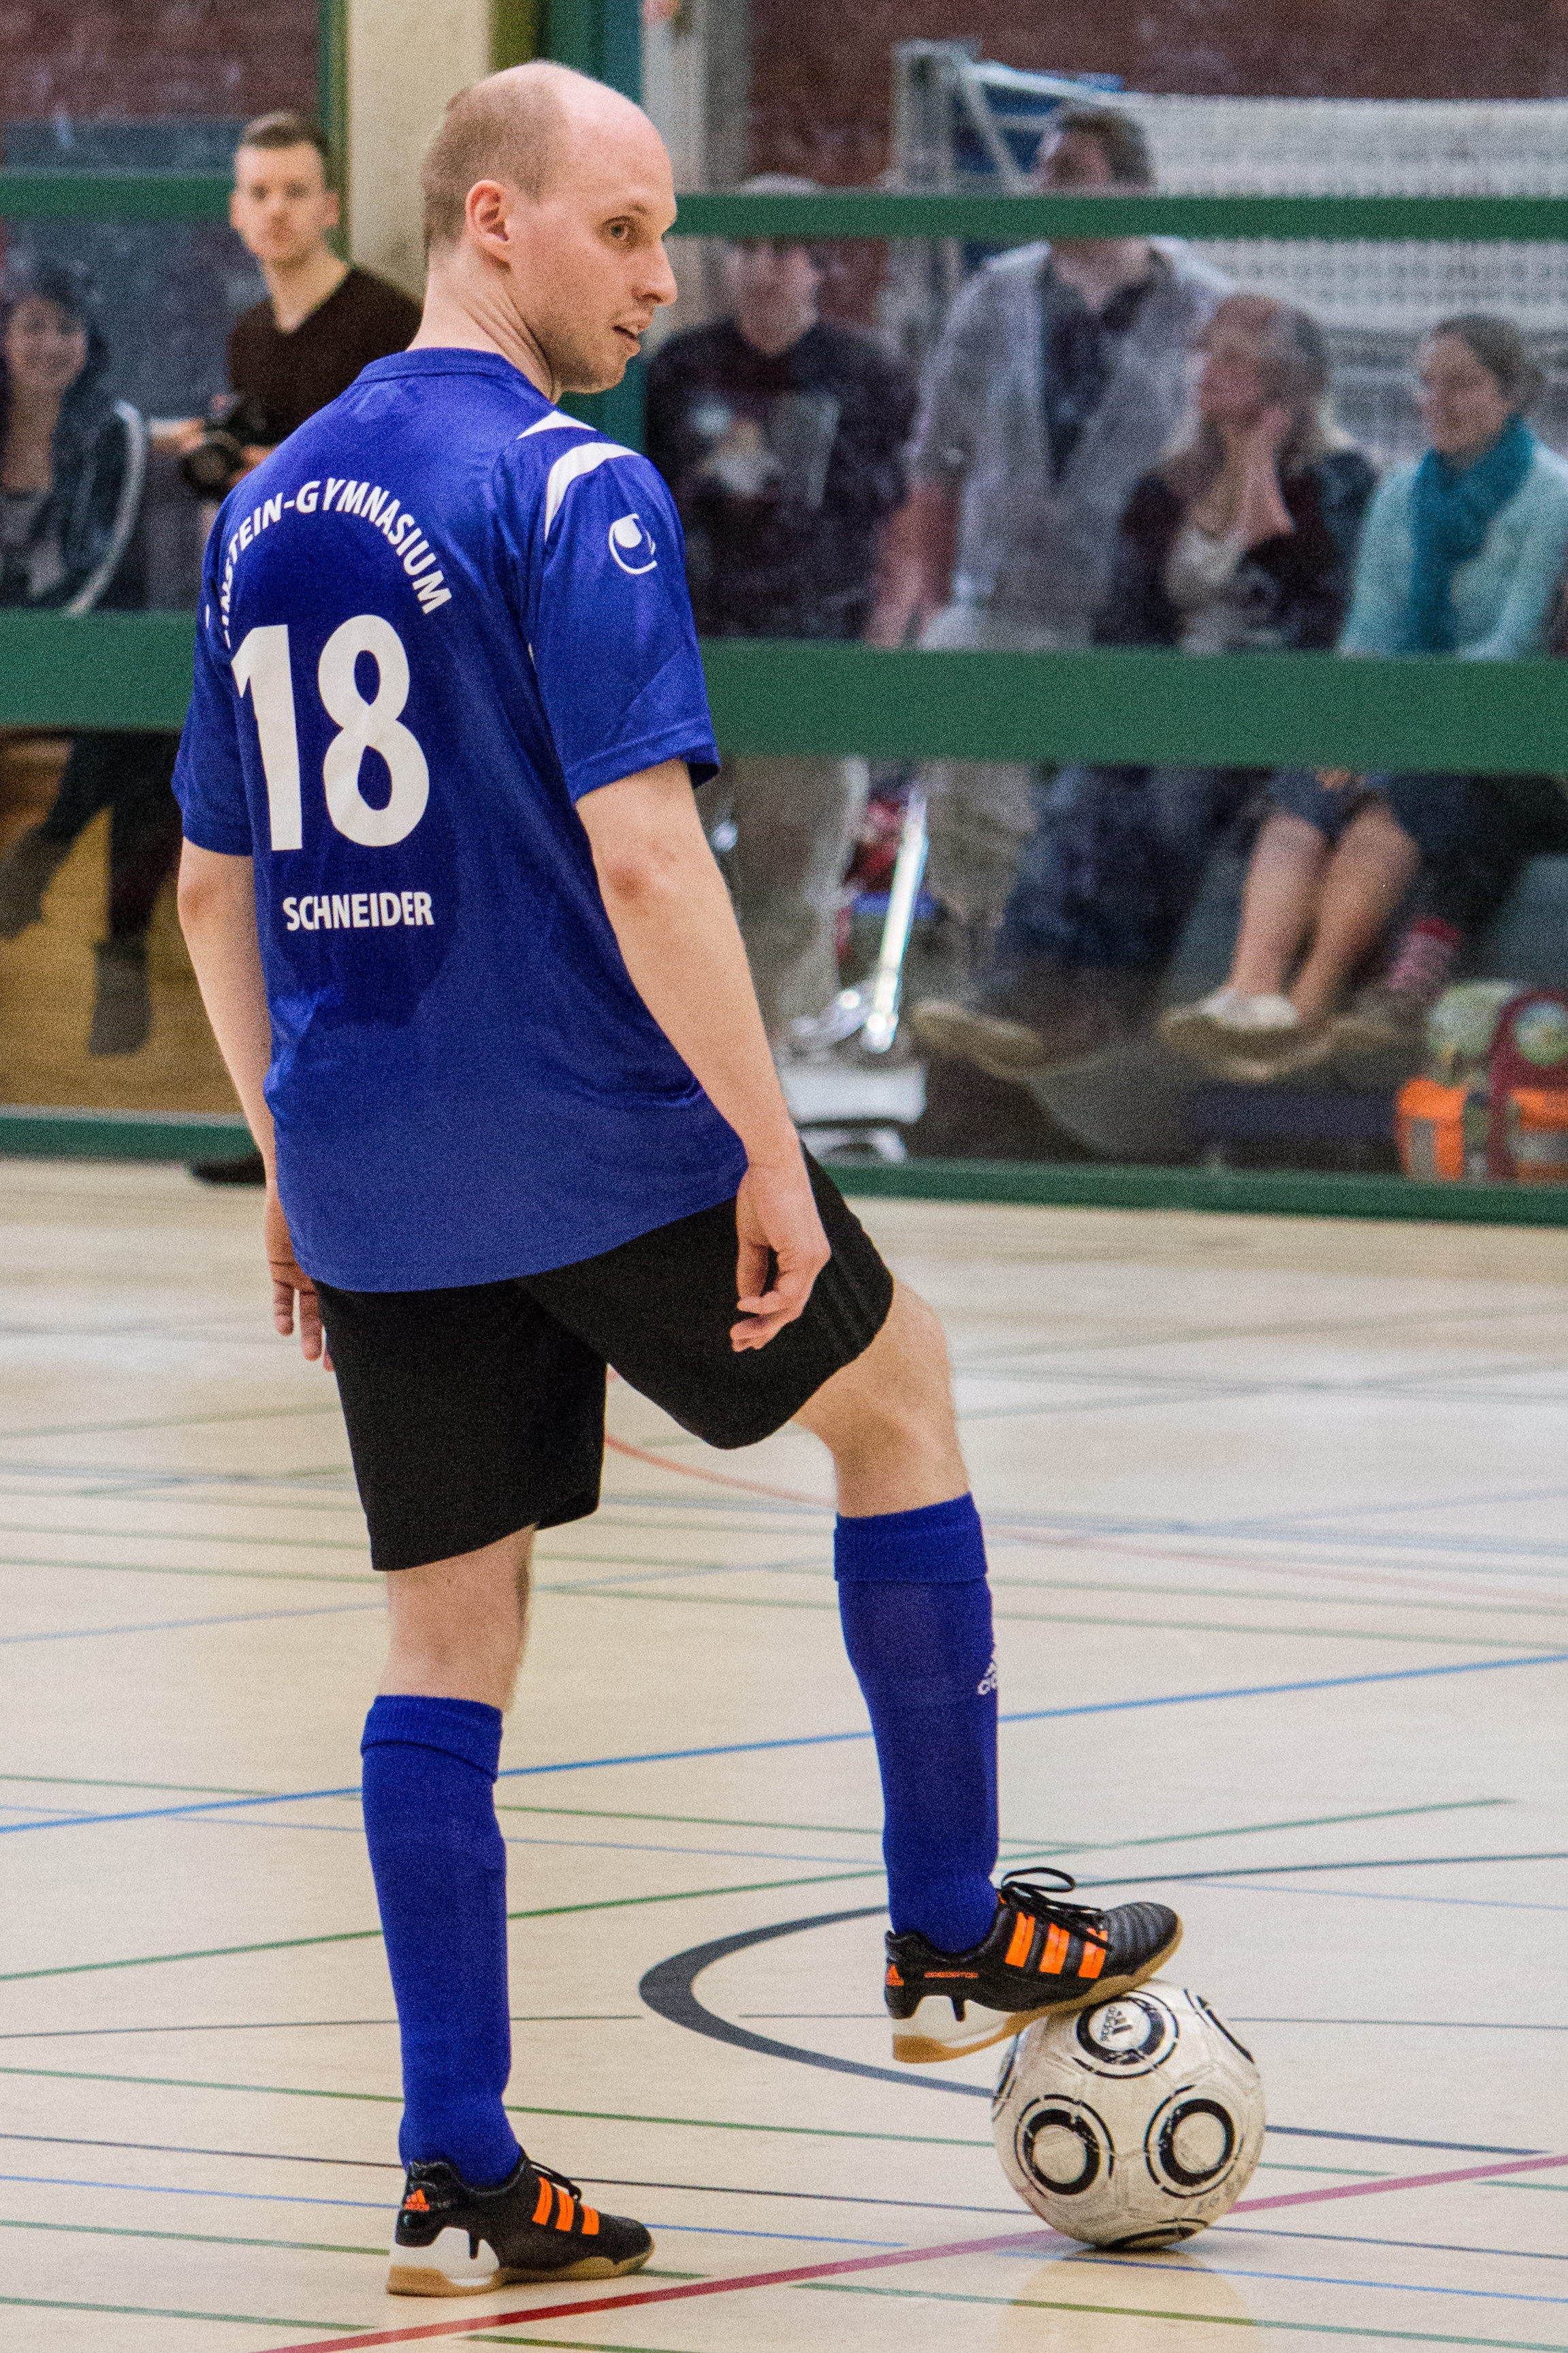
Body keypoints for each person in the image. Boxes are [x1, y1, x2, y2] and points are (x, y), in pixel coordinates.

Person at [174, 61, 1180, 2300]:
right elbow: (643, 854)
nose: (657, 278)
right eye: (622, 231)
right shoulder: (571, 486)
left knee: (447, 1633)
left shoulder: (267, 507)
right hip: (582, 1113)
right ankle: (946, 1927)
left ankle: (455, 2164)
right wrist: (766, 1148)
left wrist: (288, 1151)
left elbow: (217, 890)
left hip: (370, 1137)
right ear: (493, 222)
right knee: (897, 1396)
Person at [911, 294, 1375, 1086]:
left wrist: (1258, 465)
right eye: (1205, 352)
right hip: (1165, 701)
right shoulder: (1166, 486)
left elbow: (1319, 611)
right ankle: (1018, 982)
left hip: (1265, 715)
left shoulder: (1336, 481)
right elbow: (1126, 617)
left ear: (1284, 382)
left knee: (1169, 799)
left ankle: (1103, 1000)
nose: (1208, 371)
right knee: (1081, 791)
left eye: (1234, 358)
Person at [867, 106, 1230, 999]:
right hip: (998, 596)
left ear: (1131, 189)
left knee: (1104, 816)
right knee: (969, 807)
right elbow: (934, 460)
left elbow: (1231, 460)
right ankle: (983, 979)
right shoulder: (995, 295)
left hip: (1132, 613)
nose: (1043, 188)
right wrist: (939, 604)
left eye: (1069, 171)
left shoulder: (1201, 307)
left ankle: (1077, 999)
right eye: (1041, 169)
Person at [1162, 313, 1568, 1080]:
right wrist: (1350, 723)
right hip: (1393, 711)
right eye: (1427, 384)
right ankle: (1247, 992)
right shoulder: (1401, 491)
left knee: (1389, 800)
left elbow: (1510, 644)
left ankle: (1307, 1007)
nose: (1435, 402)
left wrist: (1400, 724)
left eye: (1460, 385)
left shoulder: (1551, 494)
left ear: (1510, 394)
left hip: (1483, 729)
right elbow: (1369, 630)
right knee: (1305, 794)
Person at [179, 112, 423, 1179]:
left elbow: (398, 466)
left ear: (329, 206)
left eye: (292, 191)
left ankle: (389, 1116)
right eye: (257, 192)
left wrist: (273, 469)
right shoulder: (248, 335)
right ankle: (291, 1123)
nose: (274, 210)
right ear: (237, 211)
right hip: (274, 638)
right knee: (282, 884)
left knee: (369, 886)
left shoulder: (384, 321)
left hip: (372, 643)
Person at [644, 180, 916, 1044]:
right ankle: (666, 1056)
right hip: (693, 662)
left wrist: (877, 650)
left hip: (810, 663)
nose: (761, 268)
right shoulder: (677, 370)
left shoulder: (865, 374)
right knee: (657, 871)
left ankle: (769, 1065)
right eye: (746, 248)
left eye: (782, 250)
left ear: (817, 266)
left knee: (791, 887)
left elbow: (901, 523)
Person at [0, 260, 182, 1056]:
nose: (48, 344)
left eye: (65, 328)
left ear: (89, 342)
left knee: (150, 732)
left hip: (80, 646)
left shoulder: (116, 428)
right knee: (138, 736)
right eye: (32, 325)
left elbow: (101, 566)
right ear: (5, 336)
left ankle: (55, 853)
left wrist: (38, 648)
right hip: (19, 652)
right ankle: (120, 950)